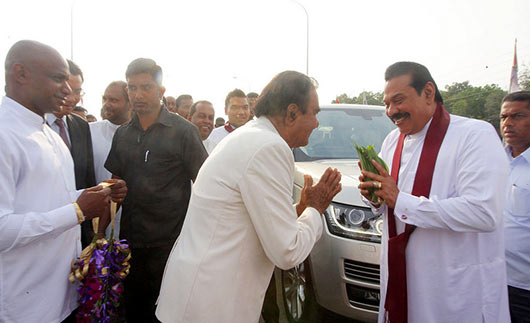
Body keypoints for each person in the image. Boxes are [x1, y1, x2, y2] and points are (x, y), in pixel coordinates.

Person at [156, 71, 342, 323]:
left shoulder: (250, 136)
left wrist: (300, 209)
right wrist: (316, 211)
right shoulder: (270, 147)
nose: (317, 123)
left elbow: (247, 217)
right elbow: (287, 252)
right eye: (315, 112)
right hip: (212, 306)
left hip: (198, 296)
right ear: (292, 113)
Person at [358, 61, 510, 323]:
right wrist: (373, 195)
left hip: (454, 291)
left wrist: (400, 200)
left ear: (428, 93)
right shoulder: (393, 140)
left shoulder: (474, 135)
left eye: (398, 100)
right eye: (386, 103)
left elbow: (484, 213)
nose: (391, 111)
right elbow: (390, 203)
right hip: (401, 277)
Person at [0, 40, 126, 323]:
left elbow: (50, 198)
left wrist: (99, 194)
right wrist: (78, 210)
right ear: (21, 74)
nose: (69, 91)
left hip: (64, 296)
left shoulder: (48, 133)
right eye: (58, 79)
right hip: (23, 306)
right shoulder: (5, 135)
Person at [104, 58, 208, 323]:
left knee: (169, 314)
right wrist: (115, 191)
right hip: (132, 244)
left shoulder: (184, 132)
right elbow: (114, 182)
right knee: (135, 311)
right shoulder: (123, 134)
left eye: (146, 87)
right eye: (132, 87)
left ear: (161, 91)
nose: (138, 94)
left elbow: (205, 187)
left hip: (172, 246)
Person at [46, 59, 97, 248]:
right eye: (67, 89)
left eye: (77, 92)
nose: (71, 97)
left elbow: (87, 178)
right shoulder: (34, 128)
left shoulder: (81, 126)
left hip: (79, 230)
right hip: (44, 231)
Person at [501, 90, 530, 322]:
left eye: (517, 116)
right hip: (493, 279)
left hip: (524, 288)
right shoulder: (495, 161)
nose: (508, 123)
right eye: (503, 117)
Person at [90, 80, 132, 238]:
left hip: (127, 223)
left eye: (113, 100)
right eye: (104, 99)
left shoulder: (142, 136)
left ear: (130, 103)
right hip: (92, 218)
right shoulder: (89, 132)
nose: (107, 104)